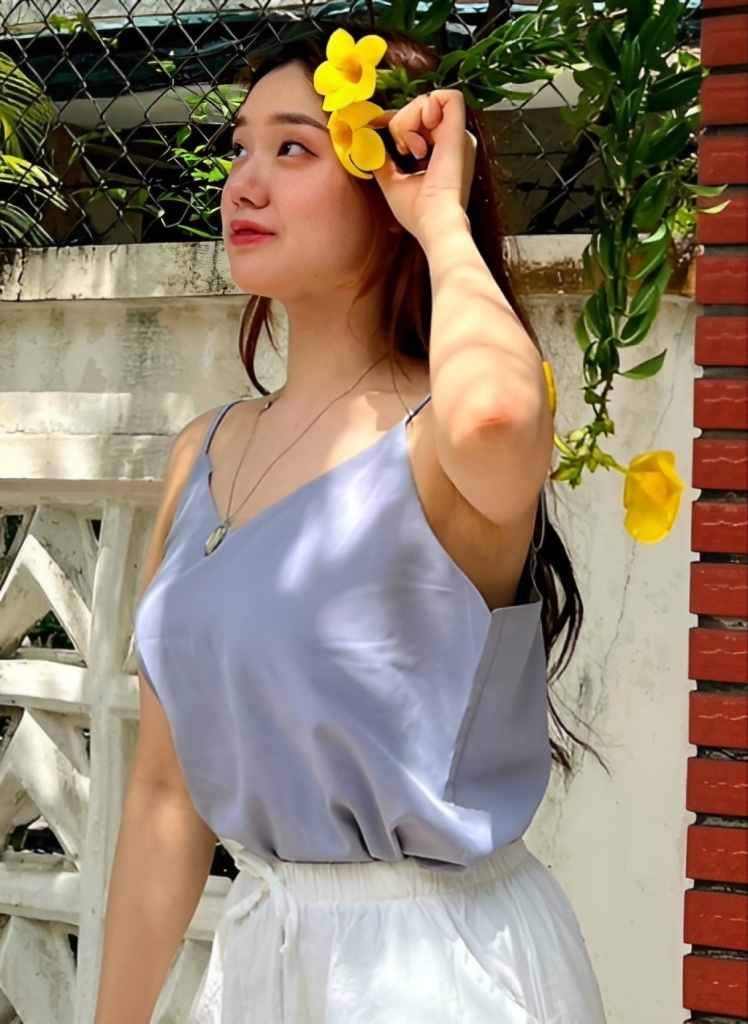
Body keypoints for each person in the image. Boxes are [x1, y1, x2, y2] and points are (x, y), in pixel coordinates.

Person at [93, 22, 607, 1024]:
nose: (244, 183)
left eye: (293, 148)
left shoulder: (441, 441)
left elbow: (500, 415)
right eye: (241, 147)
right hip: (263, 962)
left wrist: (441, 221)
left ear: (390, 180)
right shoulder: (204, 451)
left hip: (438, 973)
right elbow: (164, 794)